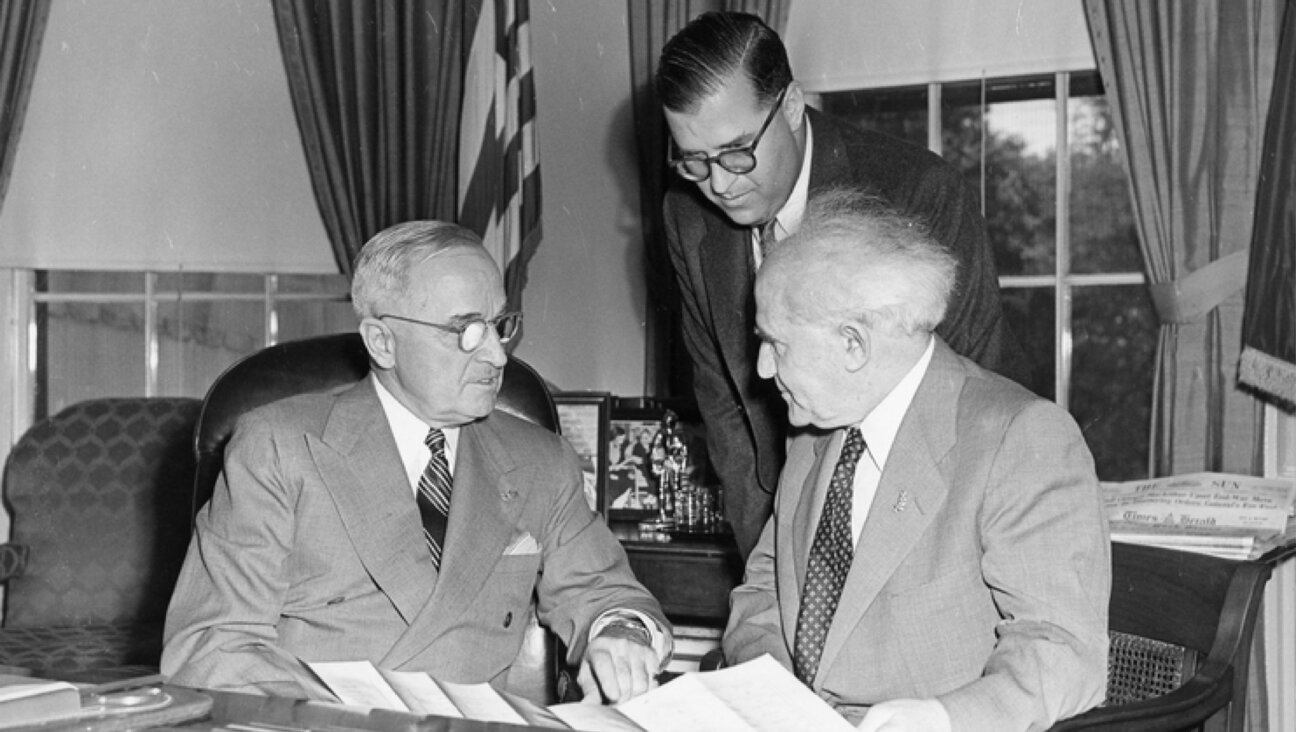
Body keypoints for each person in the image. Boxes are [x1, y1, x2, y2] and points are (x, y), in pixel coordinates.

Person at [162, 221, 672, 704]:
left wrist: (621, 632)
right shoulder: (279, 447)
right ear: (382, 341)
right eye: (466, 330)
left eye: (500, 326)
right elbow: (212, 648)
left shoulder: (541, 461)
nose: (497, 355)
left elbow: (607, 593)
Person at [722, 189, 1109, 731]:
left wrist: (946, 719)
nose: (762, 369)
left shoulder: (1020, 438)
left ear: (853, 344)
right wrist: (779, 699)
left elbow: (1064, 648)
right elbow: (763, 592)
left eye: (775, 344)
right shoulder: (813, 437)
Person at [656, 11, 1029, 558]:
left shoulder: (915, 193)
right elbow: (724, 406)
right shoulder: (687, 219)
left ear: (789, 106)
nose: (718, 184)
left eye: (737, 152)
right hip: (780, 530)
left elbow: (979, 393)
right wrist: (771, 566)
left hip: (922, 531)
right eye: (694, 160)